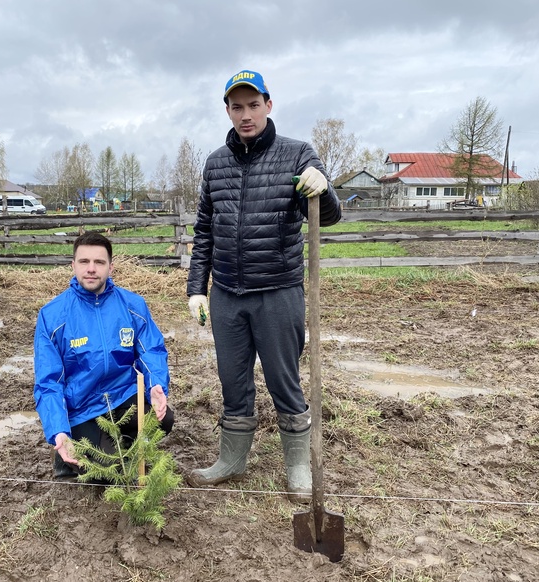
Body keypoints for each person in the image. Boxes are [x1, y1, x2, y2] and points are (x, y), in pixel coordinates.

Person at [186, 69, 341, 500]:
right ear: (228, 111)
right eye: (237, 107)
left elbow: (328, 217)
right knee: (233, 381)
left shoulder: (298, 155)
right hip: (228, 295)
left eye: (254, 105)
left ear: (268, 105)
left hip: (278, 292)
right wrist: (197, 287)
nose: (246, 114)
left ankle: (298, 466)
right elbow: (204, 230)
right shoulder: (216, 162)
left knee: (284, 380)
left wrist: (322, 189)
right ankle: (231, 461)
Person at [34, 231, 174, 479]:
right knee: (101, 475)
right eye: (84, 262)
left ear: (110, 266)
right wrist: (58, 431)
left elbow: (151, 350)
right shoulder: (53, 316)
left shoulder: (132, 305)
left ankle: (125, 443)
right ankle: (66, 457)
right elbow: (48, 382)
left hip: (122, 395)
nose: (91, 269)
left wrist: (156, 386)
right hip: (82, 406)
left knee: (163, 420)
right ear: (73, 265)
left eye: (99, 262)